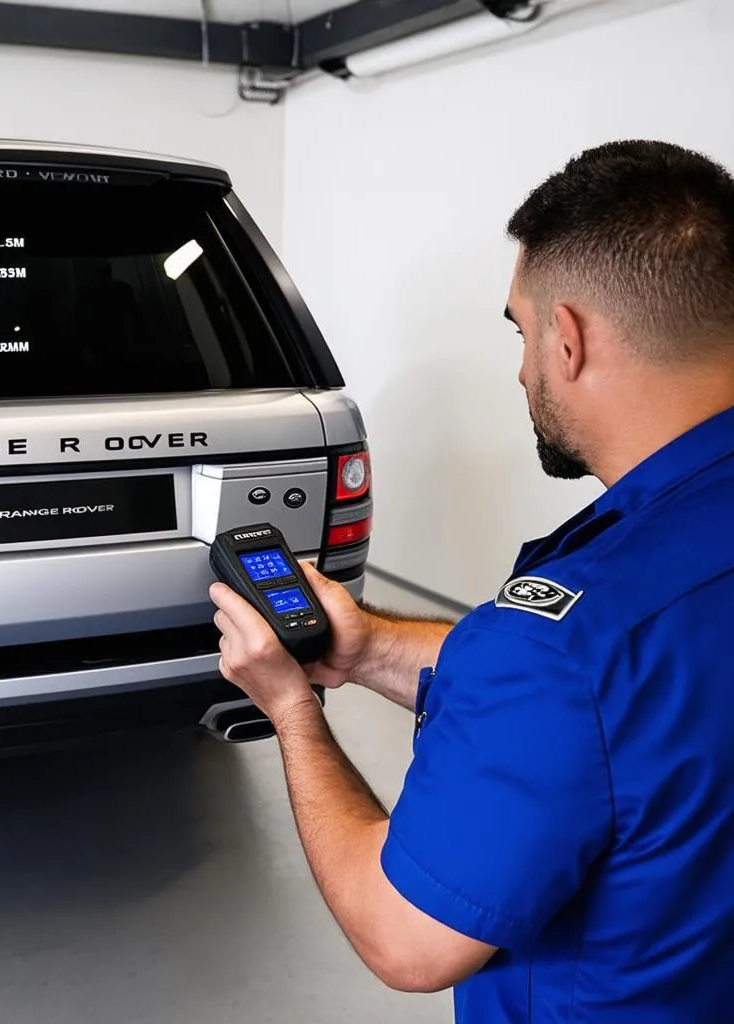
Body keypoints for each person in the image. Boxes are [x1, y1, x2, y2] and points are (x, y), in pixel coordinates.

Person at [209, 140, 734, 1023]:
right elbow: (625, 701)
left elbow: (407, 940)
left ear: (567, 340)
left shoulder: (564, 638)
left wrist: (291, 709)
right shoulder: (585, 644)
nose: (522, 369)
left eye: (522, 333)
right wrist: (369, 645)